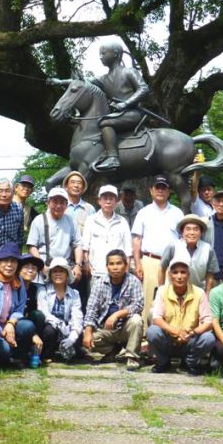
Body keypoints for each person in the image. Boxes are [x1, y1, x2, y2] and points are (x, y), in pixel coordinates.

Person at [49, 38, 150, 171]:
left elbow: (144, 89)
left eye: (103, 53)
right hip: (117, 115)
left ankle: (113, 157)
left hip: (132, 113)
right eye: (100, 54)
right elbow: (81, 82)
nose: (100, 57)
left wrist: (125, 104)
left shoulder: (129, 71)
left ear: (115, 53)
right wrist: (60, 82)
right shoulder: (103, 79)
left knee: (104, 122)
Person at [146, 252, 215, 375]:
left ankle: (189, 362)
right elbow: (157, 319)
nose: (179, 276)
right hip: (168, 339)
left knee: (208, 338)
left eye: (183, 272)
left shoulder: (199, 292)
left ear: (188, 275)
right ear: (169, 275)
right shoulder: (162, 291)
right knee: (152, 331)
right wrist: (176, 332)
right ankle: (163, 362)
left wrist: (192, 333)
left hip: (190, 340)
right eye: (175, 272)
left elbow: (208, 322)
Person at [131, 175, 185, 322]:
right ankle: (145, 332)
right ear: (151, 190)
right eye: (157, 187)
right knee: (149, 299)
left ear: (169, 191)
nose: (160, 190)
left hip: (173, 263)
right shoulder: (143, 212)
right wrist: (138, 264)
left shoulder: (177, 213)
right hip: (150, 261)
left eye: (164, 188)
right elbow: (136, 239)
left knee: (172, 299)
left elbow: (183, 239)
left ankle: (171, 330)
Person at [0, 242, 37, 367]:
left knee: (28, 326)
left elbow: (20, 308)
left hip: (9, 325)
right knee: (3, 350)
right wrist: (3, 332)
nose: (9, 265)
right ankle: (1, 355)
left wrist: (11, 323)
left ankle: (17, 357)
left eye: (13, 261)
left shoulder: (18, 281)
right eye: (5, 260)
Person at [82, 250, 144, 371]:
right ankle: (114, 350)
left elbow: (138, 305)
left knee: (137, 320)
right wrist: (87, 333)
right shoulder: (99, 283)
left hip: (125, 326)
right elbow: (91, 309)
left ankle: (132, 356)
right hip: (106, 328)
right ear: (107, 267)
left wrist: (117, 314)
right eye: (111, 264)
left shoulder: (133, 281)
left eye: (119, 263)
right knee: (85, 338)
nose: (115, 267)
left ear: (125, 265)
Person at [26, 187, 83, 283]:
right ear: (48, 203)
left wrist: (78, 266)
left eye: (62, 202)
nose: (58, 205)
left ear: (66, 205)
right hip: (44, 269)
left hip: (65, 269)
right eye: (55, 202)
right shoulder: (39, 220)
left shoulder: (71, 221)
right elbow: (32, 246)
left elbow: (78, 244)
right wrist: (41, 266)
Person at [81, 184, 132, 283]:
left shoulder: (122, 221)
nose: (108, 201)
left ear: (116, 202)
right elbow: (85, 247)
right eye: (105, 198)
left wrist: (126, 269)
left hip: (118, 274)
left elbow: (128, 250)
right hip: (96, 273)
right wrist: (86, 265)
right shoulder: (91, 220)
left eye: (111, 199)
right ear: (99, 201)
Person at [37, 258, 84, 362]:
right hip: (50, 327)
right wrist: (60, 325)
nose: (58, 274)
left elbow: (77, 315)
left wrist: (73, 335)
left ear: (67, 275)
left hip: (67, 328)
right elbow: (44, 313)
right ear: (50, 275)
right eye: (55, 271)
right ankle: (48, 353)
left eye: (61, 271)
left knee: (79, 334)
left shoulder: (75, 293)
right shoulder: (43, 291)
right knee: (49, 331)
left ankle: (71, 350)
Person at [160, 214, 219, 293]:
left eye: (196, 229)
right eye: (188, 229)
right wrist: (161, 291)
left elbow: (210, 275)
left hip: (198, 293)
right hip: (173, 292)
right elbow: (162, 268)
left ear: (201, 232)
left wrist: (207, 294)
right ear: (182, 232)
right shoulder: (173, 246)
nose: (192, 233)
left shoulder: (208, 249)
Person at [63, 170, 95, 236]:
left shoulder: (90, 209)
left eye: (79, 183)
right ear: (66, 186)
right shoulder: (59, 207)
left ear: (83, 188)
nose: (76, 185)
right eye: (73, 182)